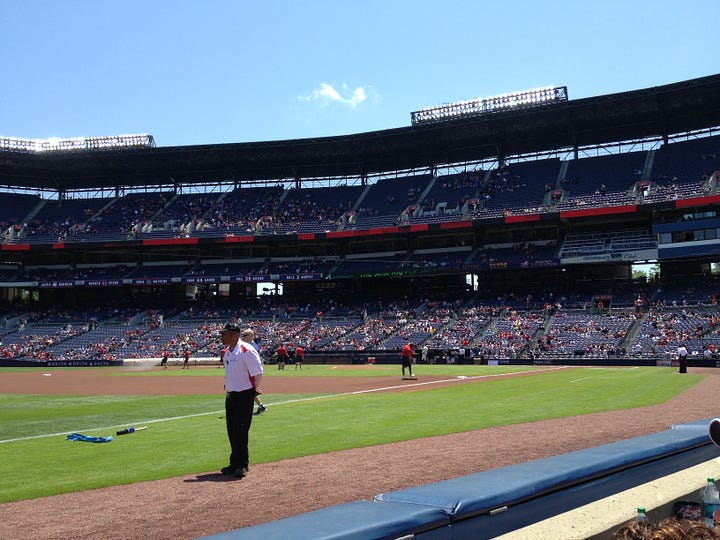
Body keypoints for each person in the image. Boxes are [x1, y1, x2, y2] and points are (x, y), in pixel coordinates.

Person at [219, 323, 263, 478]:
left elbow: (258, 372)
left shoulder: (246, 350)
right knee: (231, 430)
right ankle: (234, 462)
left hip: (244, 394)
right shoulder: (227, 352)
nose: (222, 337)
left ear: (234, 334)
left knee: (241, 430)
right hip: (231, 394)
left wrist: (252, 389)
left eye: (225, 334)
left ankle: (242, 464)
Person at [242, 329, 267, 415]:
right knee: (249, 390)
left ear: (250, 336)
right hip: (248, 370)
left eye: (245, 335)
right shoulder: (249, 345)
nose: (243, 337)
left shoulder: (252, 346)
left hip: (251, 371)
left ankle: (246, 408)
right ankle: (261, 406)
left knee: (246, 390)